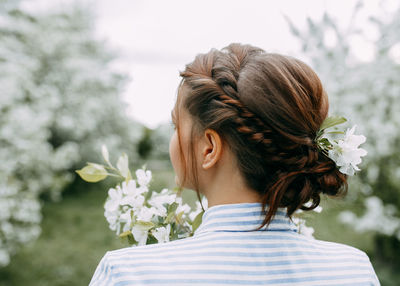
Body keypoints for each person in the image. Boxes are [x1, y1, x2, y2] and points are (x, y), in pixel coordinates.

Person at [89, 43, 380, 285]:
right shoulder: (354, 271)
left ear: (210, 148)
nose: (172, 139)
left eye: (176, 125)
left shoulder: (129, 274)